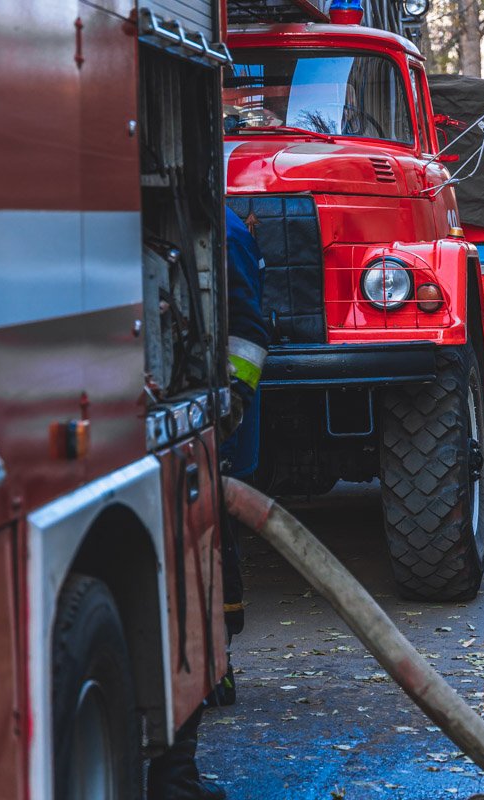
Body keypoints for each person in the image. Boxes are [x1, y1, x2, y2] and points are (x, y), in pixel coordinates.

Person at [147, 207, 267, 800]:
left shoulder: (228, 228)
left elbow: (248, 328)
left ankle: (217, 669)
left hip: (219, 420)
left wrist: (229, 406)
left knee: (215, 549)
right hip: (203, 420)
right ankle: (211, 673)